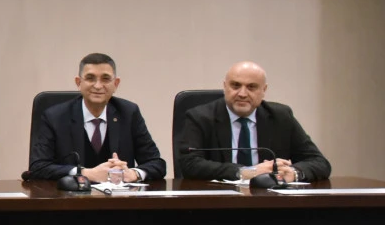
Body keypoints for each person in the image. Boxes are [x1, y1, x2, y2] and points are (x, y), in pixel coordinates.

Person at [176, 60, 331, 182]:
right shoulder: (200, 117)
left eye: (251, 87)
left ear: (264, 90)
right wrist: (246, 172)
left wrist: (293, 173)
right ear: (225, 87)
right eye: (235, 85)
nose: (242, 94)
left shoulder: (281, 116)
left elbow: (319, 162)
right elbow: (190, 164)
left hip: (270, 199)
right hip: (219, 200)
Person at [27, 53, 167, 183]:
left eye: (105, 79)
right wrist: (84, 173)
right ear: (78, 82)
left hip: (118, 198)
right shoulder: (55, 117)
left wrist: (133, 174)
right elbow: (38, 166)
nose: (98, 86)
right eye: (90, 78)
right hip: (70, 198)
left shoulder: (129, 113)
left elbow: (157, 163)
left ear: (116, 84)